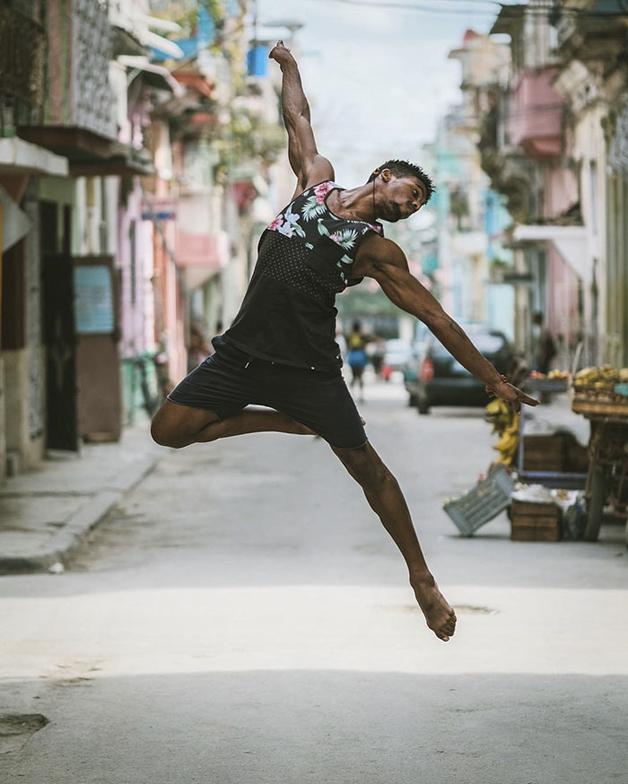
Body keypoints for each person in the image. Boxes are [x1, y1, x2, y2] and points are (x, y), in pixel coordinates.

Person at [151, 41, 538, 643]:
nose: (410, 205)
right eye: (410, 192)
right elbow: (297, 120)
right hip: (241, 354)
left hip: (309, 369)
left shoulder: (375, 249)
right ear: (384, 175)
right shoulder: (314, 182)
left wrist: (491, 378)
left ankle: (422, 580)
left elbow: (435, 317)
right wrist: (290, 66)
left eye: (415, 206)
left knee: (368, 470)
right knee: (168, 431)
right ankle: (278, 421)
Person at [347, 320, 369, 403]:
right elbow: (366, 343)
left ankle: (351, 394)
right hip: (360, 357)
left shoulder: (350, 336)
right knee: (360, 377)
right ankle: (361, 396)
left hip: (352, 357)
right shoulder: (362, 336)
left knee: (353, 376)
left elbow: (349, 346)